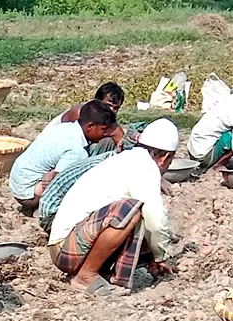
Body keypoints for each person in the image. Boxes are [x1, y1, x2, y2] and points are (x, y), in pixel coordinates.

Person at [47, 118, 180, 295]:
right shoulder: (145, 167)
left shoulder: (130, 158)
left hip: (71, 242)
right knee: (129, 211)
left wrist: (151, 259)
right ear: (165, 157)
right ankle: (86, 275)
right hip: (65, 249)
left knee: (137, 214)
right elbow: (155, 219)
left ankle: (101, 271)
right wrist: (160, 256)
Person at [11, 100, 119, 210]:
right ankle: (39, 208)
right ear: (90, 126)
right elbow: (60, 184)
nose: (106, 133)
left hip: (17, 182)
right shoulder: (76, 149)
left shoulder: (66, 127)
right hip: (29, 195)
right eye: (104, 130)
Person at [56, 83, 127, 150]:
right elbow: (64, 139)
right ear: (97, 100)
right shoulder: (79, 113)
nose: (112, 110)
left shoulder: (108, 119)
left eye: (116, 108)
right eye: (108, 105)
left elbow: (120, 139)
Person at [188, 93, 233, 172]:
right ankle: (218, 165)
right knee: (230, 136)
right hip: (203, 157)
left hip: (194, 153)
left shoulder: (228, 101)